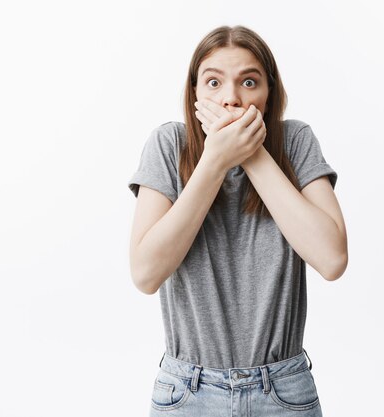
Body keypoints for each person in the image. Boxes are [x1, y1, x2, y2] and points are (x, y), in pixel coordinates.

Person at [128, 24, 348, 417]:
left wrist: (251, 153)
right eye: (213, 82)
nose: (230, 98)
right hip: (187, 392)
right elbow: (145, 273)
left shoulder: (295, 142)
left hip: (283, 391)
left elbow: (332, 259)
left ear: (269, 93)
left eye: (249, 82)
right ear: (194, 92)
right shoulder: (168, 145)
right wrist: (214, 161)